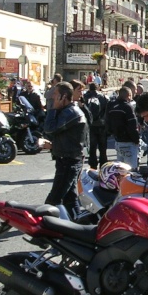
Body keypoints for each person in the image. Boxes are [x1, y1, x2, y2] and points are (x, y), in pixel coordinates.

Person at [43, 81, 89, 214]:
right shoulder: (67, 111)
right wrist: (52, 145)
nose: (52, 97)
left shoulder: (70, 112)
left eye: (55, 94)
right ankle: (77, 223)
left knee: (54, 198)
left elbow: (50, 129)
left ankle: (44, 224)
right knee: (70, 197)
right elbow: (63, 135)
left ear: (63, 96)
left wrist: (52, 108)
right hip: (67, 158)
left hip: (69, 161)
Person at [105, 86, 141, 169]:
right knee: (131, 170)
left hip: (117, 141)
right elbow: (132, 125)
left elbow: (107, 122)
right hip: (129, 142)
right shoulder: (127, 107)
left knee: (121, 170)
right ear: (129, 95)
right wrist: (136, 139)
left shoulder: (111, 105)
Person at [83, 82, 109, 169]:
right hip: (101, 124)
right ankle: (103, 165)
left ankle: (93, 165)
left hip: (91, 125)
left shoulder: (85, 97)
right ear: (98, 88)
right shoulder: (103, 97)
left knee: (92, 147)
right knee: (103, 148)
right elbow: (107, 110)